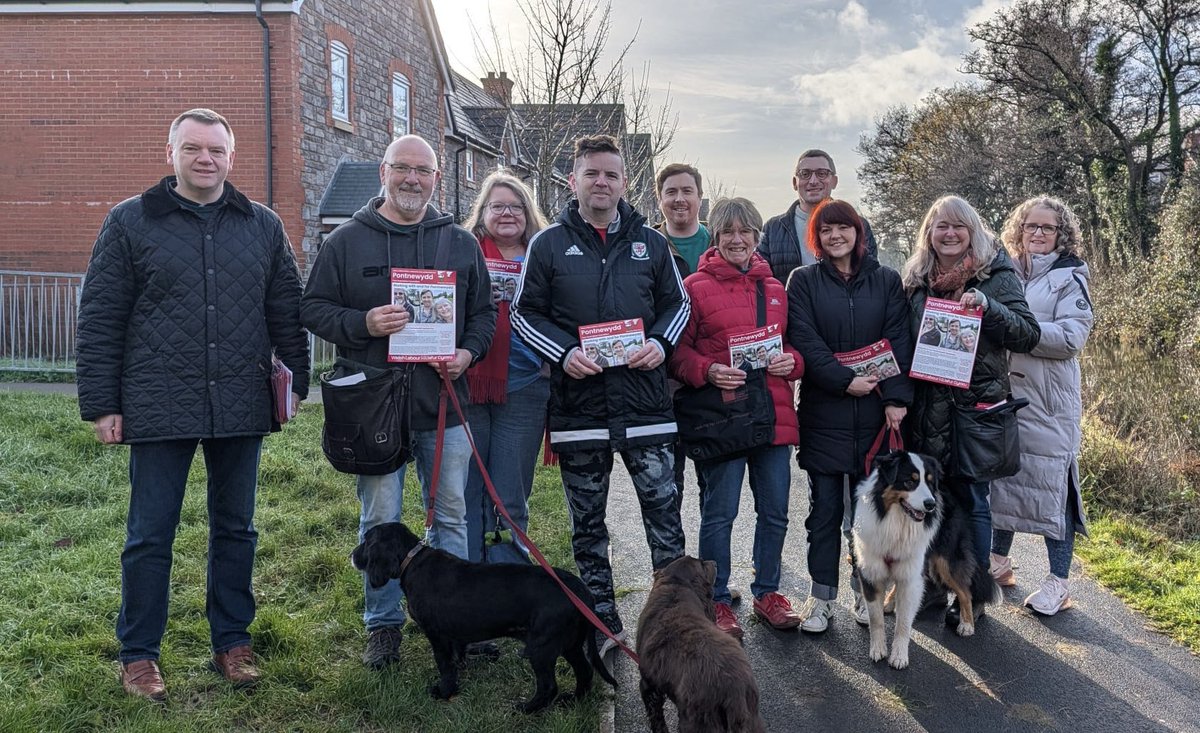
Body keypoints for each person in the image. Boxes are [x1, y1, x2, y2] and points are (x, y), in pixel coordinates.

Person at [75, 108, 310, 700]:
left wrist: (297, 383)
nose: (205, 159)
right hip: (157, 401)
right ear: (171, 153)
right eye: (193, 148)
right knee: (149, 535)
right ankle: (139, 655)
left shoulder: (262, 225)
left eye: (216, 150)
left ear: (231, 157)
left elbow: (286, 309)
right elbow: (101, 316)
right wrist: (103, 403)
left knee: (237, 530)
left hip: (240, 399)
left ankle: (232, 642)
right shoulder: (130, 221)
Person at [300, 134, 496, 669]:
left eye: (423, 171)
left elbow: (484, 314)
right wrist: (362, 323)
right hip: (373, 409)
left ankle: (457, 620)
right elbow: (312, 309)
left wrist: (467, 353)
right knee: (380, 518)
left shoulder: (460, 243)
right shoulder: (346, 241)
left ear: (437, 179)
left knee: (451, 516)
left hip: (443, 403)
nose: (412, 179)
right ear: (383, 172)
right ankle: (383, 624)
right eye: (403, 168)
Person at [511, 134, 689, 656]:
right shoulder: (548, 244)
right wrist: (564, 352)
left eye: (611, 174)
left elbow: (677, 305)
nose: (602, 183)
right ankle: (603, 621)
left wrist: (660, 343)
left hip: (646, 410)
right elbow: (524, 313)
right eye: (592, 173)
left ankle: (673, 622)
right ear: (573, 181)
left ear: (625, 183)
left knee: (665, 519)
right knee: (587, 526)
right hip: (580, 412)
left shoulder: (651, 243)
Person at [669, 197, 807, 638]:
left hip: (772, 416)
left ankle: (768, 592)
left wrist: (793, 362)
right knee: (720, 513)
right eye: (728, 231)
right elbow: (677, 354)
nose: (737, 239)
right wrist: (708, 370)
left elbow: (794, 346)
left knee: (776, 512)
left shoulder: (776, 289)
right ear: (715, 236)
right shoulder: (693, 287)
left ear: (756, 236)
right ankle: (717, 600)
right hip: (722, 418)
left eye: (745, 231)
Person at [901, 194, 1040, 627]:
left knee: (975, 502)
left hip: (974, 413)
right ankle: (928, 589)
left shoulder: (996, 275)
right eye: (941, 226)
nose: (950, 233)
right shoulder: (915, 280)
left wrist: (988, 308)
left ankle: (973, 594)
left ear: (973, 231)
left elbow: (1028, 334)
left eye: (958, 225)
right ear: (929, 233)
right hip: (927, 411)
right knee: (926, 502)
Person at [786, 199, 914, 633]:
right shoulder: (803, 281)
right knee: (823, 514)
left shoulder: (887, 280)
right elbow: (804, 339)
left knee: (870, 518)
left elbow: (898, 337)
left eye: (843, 227)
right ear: (816, 238)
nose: (835, 236)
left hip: (876, 417)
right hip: (824, 413)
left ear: (858, 232)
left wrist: (896, 398)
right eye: (825, 230)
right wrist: (844, 380)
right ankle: (821, 598)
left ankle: (867, 594)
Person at [989, 196, 1093, 616]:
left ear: (1061, 233)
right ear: (1019, 229)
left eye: (1047, 227)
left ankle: (1059, 582)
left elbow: (1071, 337)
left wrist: (1019, 331)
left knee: (1053, 487)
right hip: (1006, 394)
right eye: (1031, 225)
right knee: (1003, 479)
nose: (1037, 233)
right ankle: (998, 562)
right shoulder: (1004, 270)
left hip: (1049, 401)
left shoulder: (1070, 277)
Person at [462, 171, 552, 565]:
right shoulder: (463, 250)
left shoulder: (544, 255)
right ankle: (468, 574)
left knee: (511, 494)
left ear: (528, 213)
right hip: (468, 382)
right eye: (497, 206)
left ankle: (508, 576)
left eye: (516, 206)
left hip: (526, 386)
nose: (507, 213)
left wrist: (552, 361)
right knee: (468, 490)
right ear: (482, 212)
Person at [757, 149, 879, 285]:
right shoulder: (773, 229)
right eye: (805, 174)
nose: (813, 181)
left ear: (834, 181)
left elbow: (869, 275)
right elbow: (761, 280)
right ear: (794, 183)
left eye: (822, 174)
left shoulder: (858, 224)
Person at [654, 162, 711, 277]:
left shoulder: (720, 242)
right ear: (659, 199)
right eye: (671, 192)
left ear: (700, 197)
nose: (679, 199)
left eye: (687, 191)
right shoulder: (648, 245)